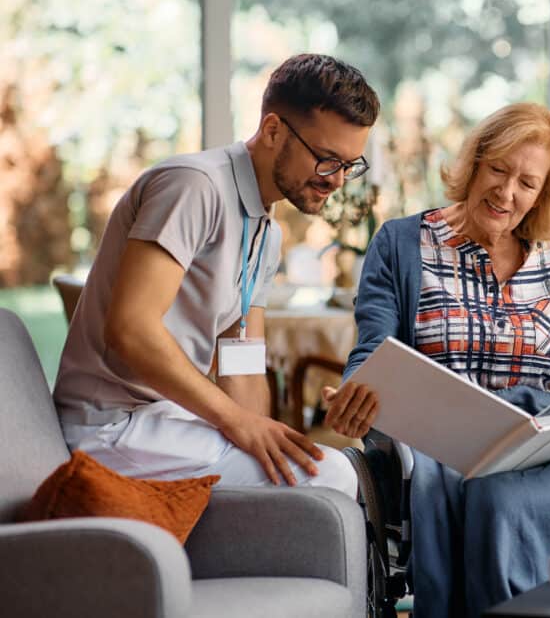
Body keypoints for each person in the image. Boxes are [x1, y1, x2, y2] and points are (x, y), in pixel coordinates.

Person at [322, 102, 550, 617]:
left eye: (527, 184)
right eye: (498, 170)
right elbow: (373, 350)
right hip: (456, 446)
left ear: (544, 192)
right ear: (476, 162)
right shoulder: (402, 244)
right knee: (498, 505)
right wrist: (357, 392)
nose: (507, 194)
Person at [53, 54, 380, 499]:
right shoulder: (193, 187)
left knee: (323, 467)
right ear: (272, 130)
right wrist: (237, 424)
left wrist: (264, 437)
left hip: (167, 423)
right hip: (110, 427)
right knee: (334, 477)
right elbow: (130, 330)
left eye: (348, 165)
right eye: (327, 160)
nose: (337, 181)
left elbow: (241, 361)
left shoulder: (266, 232)